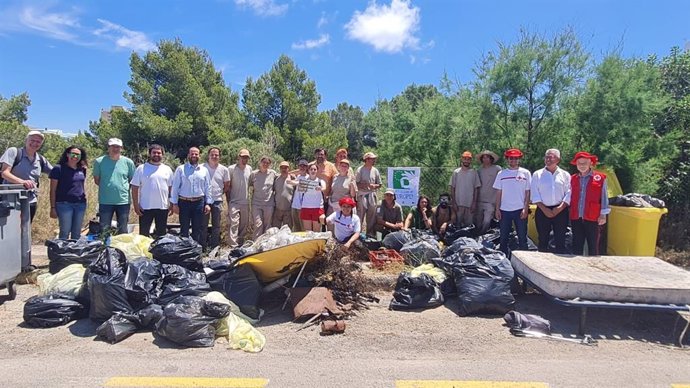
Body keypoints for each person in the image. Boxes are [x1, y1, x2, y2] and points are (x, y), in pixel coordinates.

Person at [1, 130, 53, 222]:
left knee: (25, 230)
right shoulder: (14, 152)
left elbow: (54, 173)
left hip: (30, 200)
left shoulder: (40, 159)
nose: (35, 143)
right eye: (32, 140)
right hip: (10, 200)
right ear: (26, 140)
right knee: (9, 230)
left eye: (38, 142)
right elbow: (4, 173)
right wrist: (23, 182)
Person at [531, 148, 571, 253]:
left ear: (558, 159)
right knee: (543, 239)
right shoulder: (537, 174)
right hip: (542, 210)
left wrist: (560, 208)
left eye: (551, 157)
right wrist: (545, 209)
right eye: (546, 157)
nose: (548, 159)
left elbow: (569, 192)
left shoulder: (565, 175)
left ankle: (560, 264)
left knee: (560, 239)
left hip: (561, 210)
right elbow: (535, 193)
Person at [569, 151, 610, 256]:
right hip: (576, 216)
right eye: (579, 163)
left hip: (593, 216)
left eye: (584, 163)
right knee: (577, 244)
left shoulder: (600, 178)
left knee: (593, 245)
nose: (582, 166)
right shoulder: (572, 178)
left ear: (590, 163)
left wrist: (603, 215)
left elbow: (604, 197)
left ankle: (594, 268)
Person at [493, 148, 531, 257]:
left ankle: (525, 261)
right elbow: (498, 193)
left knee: (522, 238)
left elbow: (527, 192)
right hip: (504, 211)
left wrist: (525, 208)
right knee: (503, 238)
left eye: (515, 158)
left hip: (520, 210)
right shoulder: (501, 174)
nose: (513, 160)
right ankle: (503, 262)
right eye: (511, 158)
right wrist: (497, 209)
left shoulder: (526, 173)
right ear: (507, 159)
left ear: (519, 159)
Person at [93, 138, 135, 235]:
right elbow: (97, 180)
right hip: (105, 201)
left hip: (123, 201)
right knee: (104, 230)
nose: (115, 149)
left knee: (123, 229)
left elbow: (132, 180)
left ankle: (121, 249)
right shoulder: (99, 162)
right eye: (113, 146)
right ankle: (105, 249)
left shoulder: (128, 162)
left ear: (121, 148)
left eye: (118, 147)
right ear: (108, 148)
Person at [131, 144, 174, 238]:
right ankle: (143, 252)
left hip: (162, 207)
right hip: (145, 207)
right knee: (143, 235)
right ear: (149, 154)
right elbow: (134, 187)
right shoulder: (141, 168)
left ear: (162, 154)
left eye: (159, 153)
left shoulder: (167, 169)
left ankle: (159, 252)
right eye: (154, 152)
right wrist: (136, 205)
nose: (156, 155)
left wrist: (171, 203)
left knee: (161, 235)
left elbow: (171, 188)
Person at [170, 147, 212, 243]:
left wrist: (208, 203)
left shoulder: (204, 170)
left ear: (199, 156)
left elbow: (208, 187)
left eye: (196, 154)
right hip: (184, 202)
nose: (194, 156)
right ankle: (185, 252)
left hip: (199, 203)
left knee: (197, 229)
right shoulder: (180, 169)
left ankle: (195, 252)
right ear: (188, 155)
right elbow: (175, 187)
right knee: (184, 229)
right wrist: (174, 204)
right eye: (192, 154)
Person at [49, 146, 87, 239]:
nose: (75, 156)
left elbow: (81, 185)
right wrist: (53, 207)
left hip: (80, 204)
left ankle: (74, 252)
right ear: (67, 154)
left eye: (78, 154)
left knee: (77, 232)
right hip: (64, 204)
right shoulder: (58, 168)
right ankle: (62, 252)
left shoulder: (82, 169)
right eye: (73, 153)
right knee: (65, 231)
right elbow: (53, 189)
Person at [200, 146, 230, 250]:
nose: (214, 156)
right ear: (208, 156)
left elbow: (227, 184)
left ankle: (214, 247)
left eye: (216, 155)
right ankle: (202, 247)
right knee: (203, 225)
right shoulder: (201, 167)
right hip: (204, 200)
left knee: (216, 225)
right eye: (212, 155)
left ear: (219, 157)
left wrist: (220, 193)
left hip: (217, 200)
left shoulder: (224, 169)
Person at [227, 149, 253, 247]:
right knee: (234, 224)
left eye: (246, 157)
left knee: (244, 224)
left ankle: (240, 245)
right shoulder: (231, 169)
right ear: (238, 157)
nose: (244, 159)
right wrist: (228, 200)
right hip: (234, 201)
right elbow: (228, 185)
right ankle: (232, 247)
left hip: (245, 202)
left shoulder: (249, 169)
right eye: (243, 157)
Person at [449, 151, 481, 227]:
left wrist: (474, 203)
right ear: (462, 159)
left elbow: (476, 188)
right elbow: (452, 187)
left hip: (470, 205)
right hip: (458, 204)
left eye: (468, 159)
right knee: (457, 225)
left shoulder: (474, 172)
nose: (466, 161)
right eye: (465, 159)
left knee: (469, 226)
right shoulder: (456, 172)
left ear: (471, 160)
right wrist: (453, 202)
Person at [250, 156, 277, 239]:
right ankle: (256, 243)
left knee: (267, 225)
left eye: (267, 163)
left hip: (269, 204)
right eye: (264, 162)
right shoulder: (254, 174)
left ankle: (265, 244)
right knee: (258, 224)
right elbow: (249, 186)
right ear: (260, 163)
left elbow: (283, 176)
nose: (265, 164)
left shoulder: (273, 173)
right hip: (256, 203)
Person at [356, 152, 382, 236]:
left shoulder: (375, 170)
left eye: (374, 159)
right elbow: (356, 183)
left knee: (372, 216)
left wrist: (374, 186)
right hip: (362, 195)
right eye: (372, 159)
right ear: (366, 160)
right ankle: (357, 234)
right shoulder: (360, 170)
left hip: (372, 195)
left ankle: (370, 234)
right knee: (360, 216)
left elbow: (380, 184)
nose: (374, 160)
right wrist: (366, 185)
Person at [475, 150, 501, 234]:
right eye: (484, 157)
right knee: (478, 222)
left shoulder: (497, 169)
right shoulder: (479, 170)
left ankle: (483, 236)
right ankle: (477, 237)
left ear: (491, 159)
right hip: (479, 200)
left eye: (487, 157)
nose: (485, 159)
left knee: (486, 221)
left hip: (491, 201)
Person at [298, 163, 326, 232]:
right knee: (307, 232)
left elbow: (324, 187)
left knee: (316, 232)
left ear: (317, 171)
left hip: (317, 208)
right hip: (306, 207)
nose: (313, 171)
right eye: (311, 169)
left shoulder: (320, 181)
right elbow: (297, 183)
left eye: (315, 169)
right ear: (308, 170)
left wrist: (320, 188)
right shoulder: (304, 181)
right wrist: (290, 181)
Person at [272, 161, 295, 229]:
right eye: (282, 167)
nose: (284, 169)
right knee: (275, 230)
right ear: (280, 169)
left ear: (289, 169)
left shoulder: (293, 179)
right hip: (277, 210)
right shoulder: (276, 179)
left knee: (287, 230)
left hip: (288, 210)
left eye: (285, 167)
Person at [289, 158, 309, 232]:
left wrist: (290, 181)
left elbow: (298, 184)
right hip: (294, 205)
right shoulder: (298, 177)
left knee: (303, 228)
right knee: (296, 227)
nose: (302, 167)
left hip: (303, 207)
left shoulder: (308, 178)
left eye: (304, 166)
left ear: (307, 167)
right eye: (301, 166)